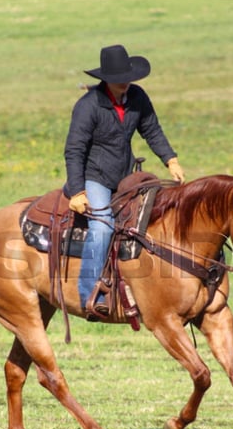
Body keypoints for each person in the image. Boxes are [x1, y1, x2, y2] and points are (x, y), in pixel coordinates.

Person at [63, 44, 185, 318]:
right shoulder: (88, 106)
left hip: (126, 176)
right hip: (94, 177)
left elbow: (152, 130)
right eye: (119, 78)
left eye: (127, 76)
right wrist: (77, 191)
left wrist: (171, 159)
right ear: (106, 79)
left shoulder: (137, 97)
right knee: (103, 226)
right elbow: (74, 150)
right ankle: (88, 293)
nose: (126, 82)